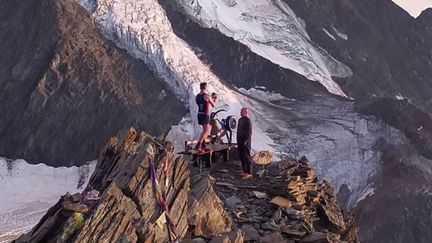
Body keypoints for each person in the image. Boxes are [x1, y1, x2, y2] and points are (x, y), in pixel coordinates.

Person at [195, 82, 217, 153]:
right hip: (205, 114)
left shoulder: (197, 96)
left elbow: (199, 103)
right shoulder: (206, 95)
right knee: (206, 130)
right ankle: (198, 146)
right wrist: (215, 100)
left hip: (199, 114)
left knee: (205, 129)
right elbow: (213, 104)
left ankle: (203, 145)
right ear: (206, 87)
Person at [237, 107, 253, 179]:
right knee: (241, 157)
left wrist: (246, 141)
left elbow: (249, 132)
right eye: (240, 111)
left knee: (246, 156)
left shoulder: (247, 120)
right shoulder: (240, 120)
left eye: (242, 111)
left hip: (245, 142)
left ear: (245, 112)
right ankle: (244, 171)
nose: (240, 112)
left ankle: (249, 172)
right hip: (240, 140)